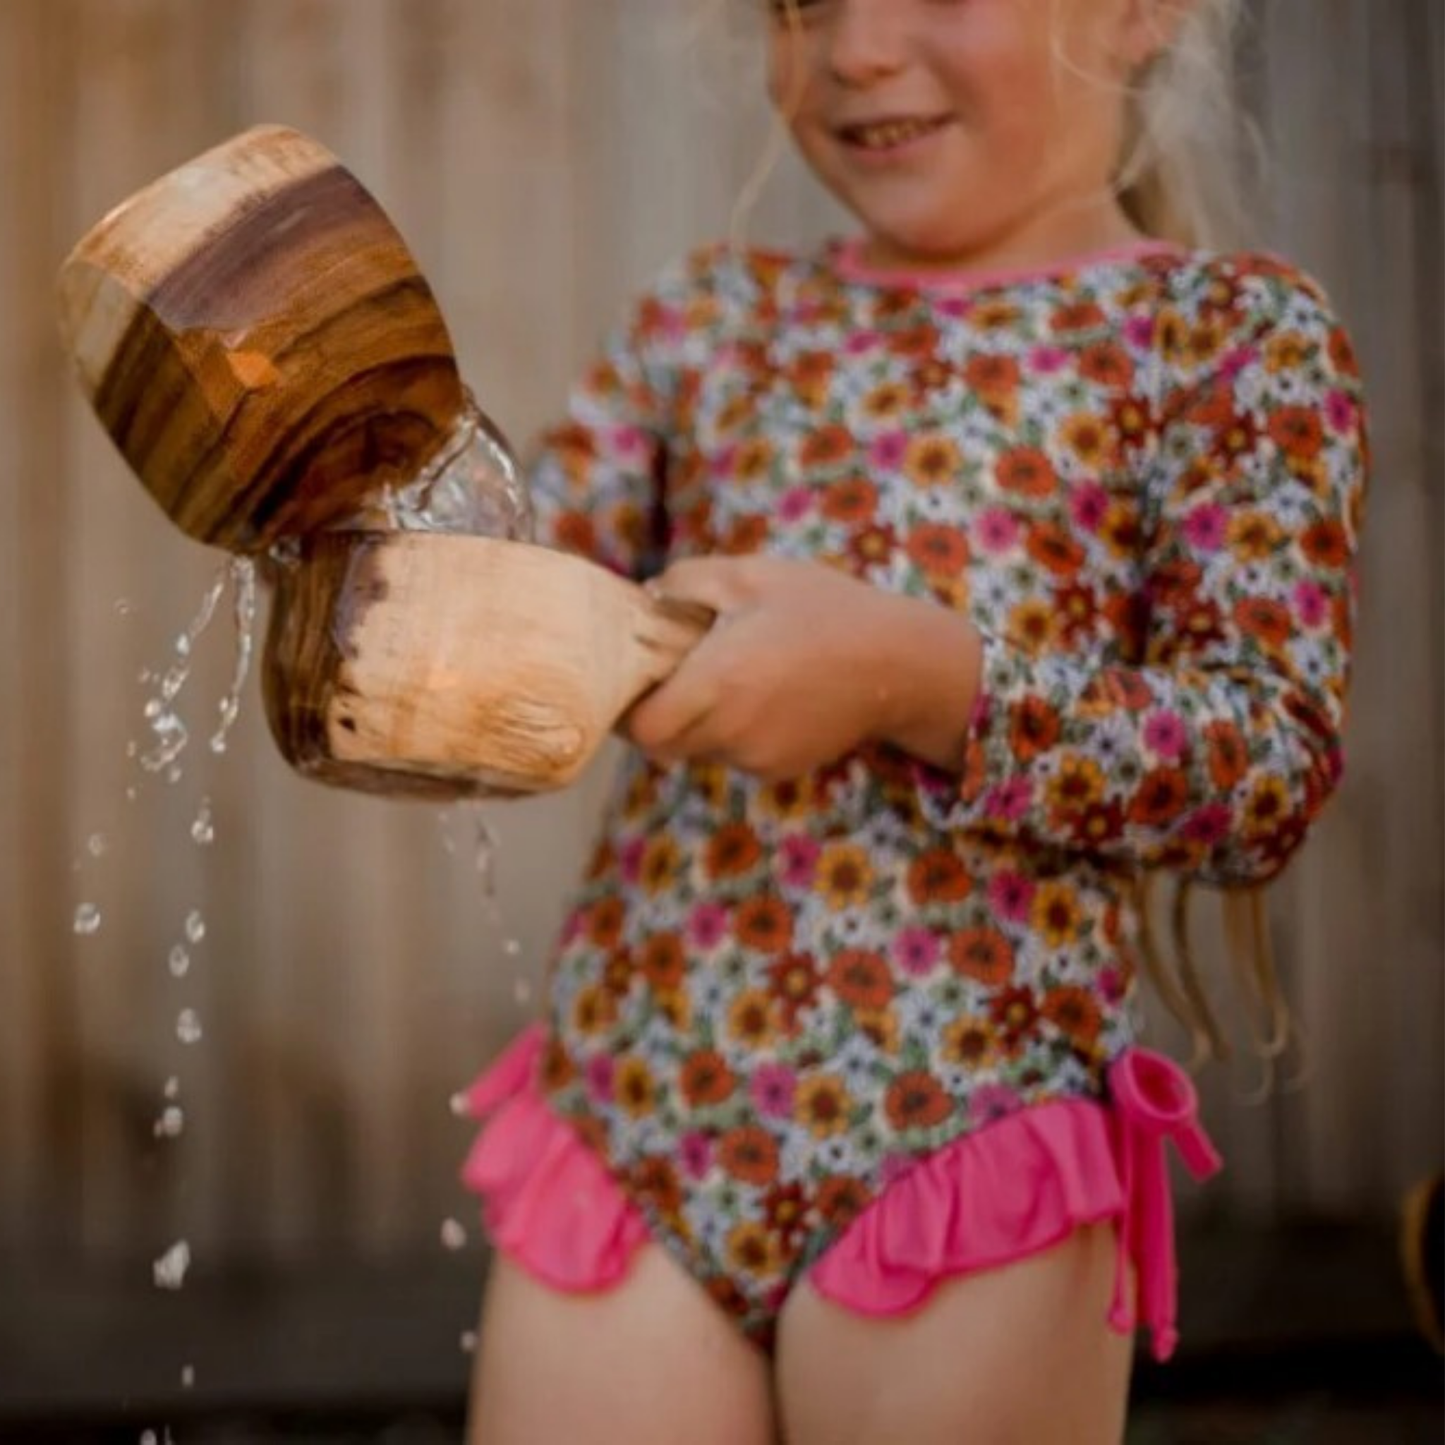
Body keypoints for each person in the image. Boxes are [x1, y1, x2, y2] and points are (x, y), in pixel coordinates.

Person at [458, 1, 1369, 1440]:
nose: (858, 49)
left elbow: (1261, 764)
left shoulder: (1221, 343)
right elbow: (511, 601)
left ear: (1138, 12)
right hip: (633, 1108)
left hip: (964, 1135)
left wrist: (918, 677)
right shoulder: (709, 323)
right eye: (802, 1)